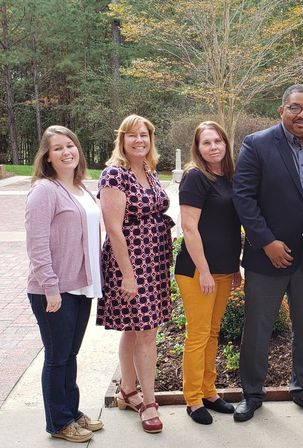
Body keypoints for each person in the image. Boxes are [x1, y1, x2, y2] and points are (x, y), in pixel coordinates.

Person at [232, 84, 303, 422]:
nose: (302, 115)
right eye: (295, 107)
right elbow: (244, 198)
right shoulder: (258, 144)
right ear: (282, 110)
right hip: (267, 257)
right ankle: (252, 393)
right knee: (258, 328)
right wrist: (266, 242)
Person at [25, 126, 103, 443]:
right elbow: (37, 243)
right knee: (57, 357)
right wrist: (51, 286)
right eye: (57, 148)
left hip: (81, 286)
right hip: (53, 290)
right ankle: (58, 423)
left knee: (70, 354)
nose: (66, 152)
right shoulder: (44, 190)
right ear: (47, 156)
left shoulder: (82, 189)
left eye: (70, 145)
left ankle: (71, 411)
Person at [97, 115, 173, 434]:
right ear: (122, 140)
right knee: (146, 331)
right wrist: (128, 275)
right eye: (132, 135)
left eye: (144, 135)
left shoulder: (149, 171)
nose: (139, 140)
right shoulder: (115, 174)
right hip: (131, 262)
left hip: (153, 260)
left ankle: (128, 391)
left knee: (134, 328)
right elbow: (114, 229)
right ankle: (149, 403)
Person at [174, 121, 242, 425]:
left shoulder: (227, 177)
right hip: (197, 271)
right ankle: (192, 399)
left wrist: (235, 267)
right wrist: (203, 271)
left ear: (225, 144)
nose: (213, 147)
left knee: (213, 332)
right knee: (198, 334)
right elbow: (189, 227)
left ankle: (209, 391)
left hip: (224, 269)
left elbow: (229, 227)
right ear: (197, 147)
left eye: (217, 141)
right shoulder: (194, 178)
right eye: (206, 142)